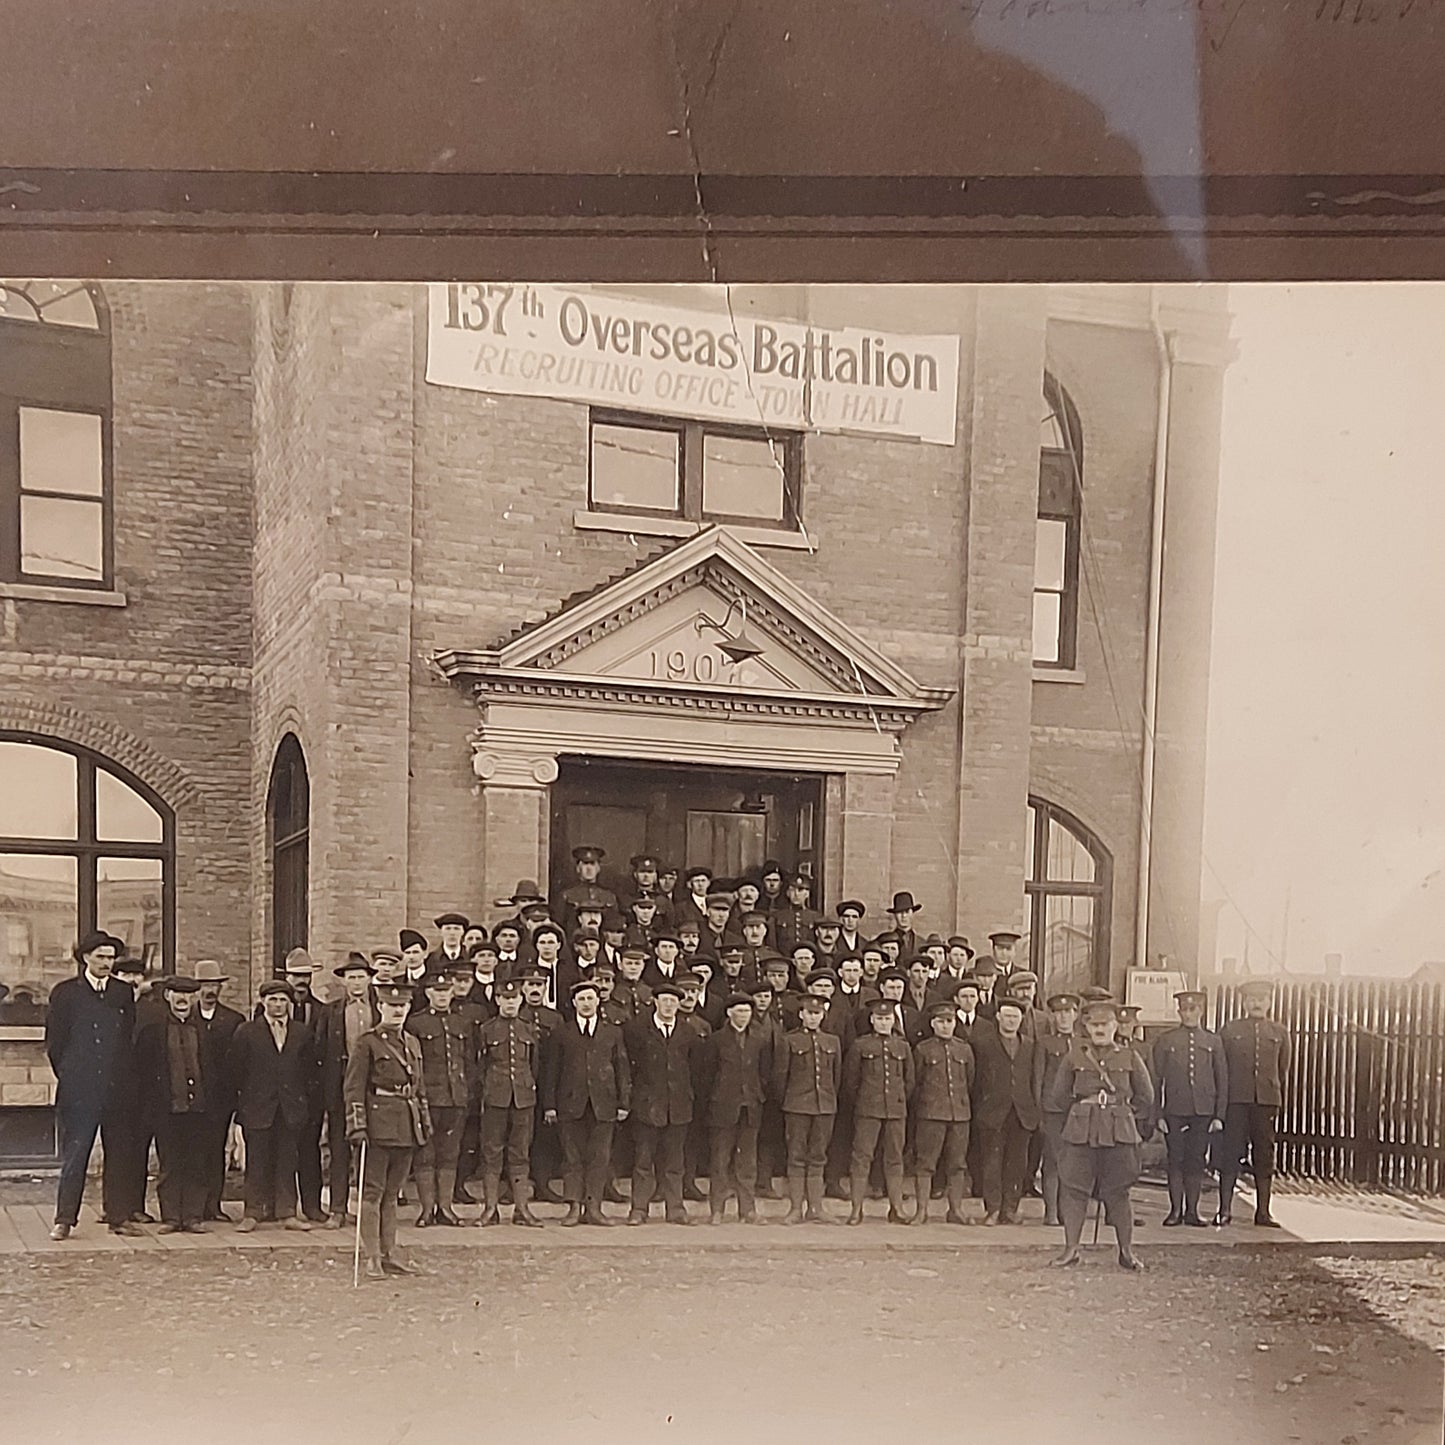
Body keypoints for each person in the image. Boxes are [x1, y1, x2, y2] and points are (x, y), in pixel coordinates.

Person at [1045, 997, 1155, 1271]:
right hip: (1081, 1132)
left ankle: (1126, 1252)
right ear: (1086, 1026)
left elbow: (1146, 1096)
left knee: (1119, 1191)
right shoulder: (1074, 1056)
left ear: (1116, 1026)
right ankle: (1071, 1250)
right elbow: (1059, 1096)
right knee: (1074, 1190)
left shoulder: (1130, 1057)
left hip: (1119, 1133)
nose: (1100, 1030)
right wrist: (1083, 1111)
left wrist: (1123, 1114)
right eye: (1094, 1025)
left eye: (1105, 1024)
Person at [45, 932, 136, 1240]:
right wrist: (72, 1076)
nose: (107, 963)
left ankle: (118, 1216)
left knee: (120, 1153)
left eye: (111, 958)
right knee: (76, 1153)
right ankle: (64, 1219)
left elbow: (128, 1038)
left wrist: (121, 1078)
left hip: (118, 1089)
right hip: (80, 1091)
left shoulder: (123, 993)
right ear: (85, 958)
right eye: (101, 957)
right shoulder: (66, 993)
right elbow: (56, 1044)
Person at [345, 982, 431, 1279]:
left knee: (392, 1194)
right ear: (380, 1007)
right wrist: (357, 1126)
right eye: (391, 1005)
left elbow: (419, 1088)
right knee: (372, 1193)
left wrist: (423, 1123)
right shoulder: (367, 1043)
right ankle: (372, 1257)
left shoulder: (412, 1043)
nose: (398, 1010)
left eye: (403, 1006)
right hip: (378, 1124)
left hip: (406, 1124)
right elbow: (354, 1088)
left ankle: (390, 1252)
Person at [229, 980, 319, 1232]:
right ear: (262, 1001)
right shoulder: (246, 1031)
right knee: (256, 1161)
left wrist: (304, 1102)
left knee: (287, 1160)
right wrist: (242, 1106)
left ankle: (287, 1212)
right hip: (257, 1107)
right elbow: (236, 1070)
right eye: (272, 1000)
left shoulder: (302, 1033)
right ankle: (253, 1212)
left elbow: (309, 1072)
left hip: (291, 1107)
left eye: (282, 1000)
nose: (277, 1005)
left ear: (289, 1004)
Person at [541, 980, 631, 1226]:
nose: (586, 1003)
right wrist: (549, 1105)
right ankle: (574, 1208)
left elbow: (622, 1069)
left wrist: (623, 1103)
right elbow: (552, 1071)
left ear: (598, 1001)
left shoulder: (612, 1032)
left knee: (599, 1158)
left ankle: (594, 1208)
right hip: (570, 1104)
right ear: (573, 1003)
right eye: (581, 999)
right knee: (572, 1158)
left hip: (604, 1105)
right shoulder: (562, 1033)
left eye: (590, 998)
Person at [134, 976, 216, 1233]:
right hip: (166, 1109)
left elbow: (212, 1068)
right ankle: (170, 1217)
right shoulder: (153, 1029)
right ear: (167, 996)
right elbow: (142, 1073)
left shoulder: (202, 1030)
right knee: (169, 1163)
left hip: (198, 1109)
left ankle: (192, 1216)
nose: (182, 999)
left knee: (196, 1163)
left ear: (194, 998)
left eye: (188, 995)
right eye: (176, 994)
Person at [1217, 978, 1291, 1228]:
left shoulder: (1279, 1032)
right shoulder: (1230, 1030)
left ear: (1269, 1001)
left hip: (1265, 1102)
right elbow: (1222, 1068)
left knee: (1264, 1155)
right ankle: (1224, 1210)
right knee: (1230, 1154)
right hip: (1236, 1101)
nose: (1256, 1003)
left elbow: (1282, 1070)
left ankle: (1263, 1212)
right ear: (1244, 1002)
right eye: (1251, 999)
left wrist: (1274, 1098)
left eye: (1261, 999)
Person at [1151, 988, 1228, 1228]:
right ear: (1179, 1012)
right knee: (1175, 1159)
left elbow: (1222, 1079)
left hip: (1203, 1111)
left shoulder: (1213, 1041)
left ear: (1201, 1011)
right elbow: (1156, 1079)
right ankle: (1175, 1211)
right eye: (1184, 1009)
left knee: (1196, 1160)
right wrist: (1158, 1113)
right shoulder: (1166, 1040)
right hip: (1175, 1109)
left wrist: (1219, 1115)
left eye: (1193, 1009)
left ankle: (1192, 1212)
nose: (1188, 1014)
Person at [623, 979, 698, 1225]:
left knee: (675, 1162)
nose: (668, 1006)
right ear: (655, 1002)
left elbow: (696, 1069)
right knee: (643, 1161)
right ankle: (639, 1210)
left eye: (673, 1002)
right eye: (664, 1001)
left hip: (678, 1106)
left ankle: (675, 1209)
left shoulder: (688, 1031)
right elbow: (629, 1066)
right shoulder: (637, 1030)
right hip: (647, 1106)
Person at [405, 972, 475, 1227]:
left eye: (446, 991)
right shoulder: (416, 1023)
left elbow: (469, 1061)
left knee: (450, 1154)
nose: (442, 995)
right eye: (437, 991)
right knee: (425, 1154)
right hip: (428, 1098)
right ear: (427, 994)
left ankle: (445, 1207)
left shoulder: (462, 1023)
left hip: (456, 1097)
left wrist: (467, 1092)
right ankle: (426, 1210)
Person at [476, 978, 544, 1227]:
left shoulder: (529, 1029)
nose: (510, 1003)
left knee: (520, 1153)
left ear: (521, 999)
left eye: (514, 998)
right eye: (505, 998)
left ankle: (522, 1209)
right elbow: (480, 1066)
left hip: (524, 1098)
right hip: (495, 1097)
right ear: (497, 1000)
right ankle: (490, 1209)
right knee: (492, 1153)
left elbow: (534, 1065)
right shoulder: (487, 1029)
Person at [698, 992, 770, 1224]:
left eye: (747, 1011)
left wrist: (757, 1095)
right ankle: (717, 1210)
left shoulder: (759, 1039)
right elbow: (705, 1075)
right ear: (729, 1013)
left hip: (750, 1107)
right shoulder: (716, 1040)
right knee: (720, 1160)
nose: (744, 1016)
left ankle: (747, 1210)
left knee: (747, 1161)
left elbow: (765, 1072)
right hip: (722, 1108)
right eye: (739, 1011)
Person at [844, 997, 916, 1225]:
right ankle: (856, 1209)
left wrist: (898, 1100)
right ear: (872, 1020)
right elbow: (851, 1081)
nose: (884, 1022)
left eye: (888, 1019)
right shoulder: (860, 1045)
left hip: (895, 1110)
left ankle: (896, 1208)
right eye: (879, 1019)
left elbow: (909, 1081)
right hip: (868, 1109)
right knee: (861, 1157)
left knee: (894, 1158)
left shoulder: (902, 1046)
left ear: (893, 1021)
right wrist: (865, 1101)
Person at [970, 996, 1040, 1225]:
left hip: (1022, 1112)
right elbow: (976, 1079)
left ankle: (1010, 1209)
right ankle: (992, 1209)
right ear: (998, 1017)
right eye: (1007, 1016)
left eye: (1016, 1017)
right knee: (991, 1162)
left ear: (1021, 1020)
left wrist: (1034, 1108)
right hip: (992, 1112)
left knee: (1017, 1163)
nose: (1011, 1021)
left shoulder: (1030, 1045)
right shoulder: (982, 1043)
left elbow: (1034, 1078)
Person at [318, 952, 377, 1228]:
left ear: (369, 979)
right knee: (339, 1147)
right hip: (340, 1086)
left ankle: (369, 1209)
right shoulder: (331, 1011)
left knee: (372, 1147)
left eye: (360, 976)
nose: (356, 982)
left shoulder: (380, 1007)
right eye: (351, 977)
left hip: (375, 1087)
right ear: (344, 981)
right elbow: (320, 1050)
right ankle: (338, 1209)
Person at [772, 994, 840, 1224]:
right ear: (801, 1015)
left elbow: (836, 1077)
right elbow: (780, 1078)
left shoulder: (832, 1042)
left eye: (817, 1013)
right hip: (797, 1106)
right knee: (797, 1156)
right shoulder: (789, 1040)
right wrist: (790, 1101)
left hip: (824, 1107)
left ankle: (816, 1207)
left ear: (823, 1015)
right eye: (809, 1013)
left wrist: (828, 1100)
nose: (813, 1017)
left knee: (818, 1156)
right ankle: (795, 1209)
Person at [910, 1002, 976, 1225]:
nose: (945, 1026)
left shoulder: (964, 1049)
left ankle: (955, 1209)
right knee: (926, 1163)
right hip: (931, 1114)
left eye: (949, 1021)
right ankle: (922, 1211)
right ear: (932, 1023)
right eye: (940, 1022)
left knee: (957, 1164)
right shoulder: (922, 1049)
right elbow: (915, 1082)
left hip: (959, 1114)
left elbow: (969, 1080)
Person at [191, 960, 245, 1222]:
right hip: (191, 1097)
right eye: (204, 985)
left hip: (220, 1099)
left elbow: (239, 1063)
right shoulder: (187, 1018)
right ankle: (193, 1206)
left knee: (216, 1151)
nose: (209, 990)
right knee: (192, 1151)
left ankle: (213, 1204)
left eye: (214, 985)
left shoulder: (233, 1020)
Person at [277, 948, 327, 1223]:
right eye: (296, 976)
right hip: (279, 1093)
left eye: (306, 976)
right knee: (282, 1150)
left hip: (309, 1093)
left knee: (310, 1150)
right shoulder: (266, 1010)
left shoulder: (320, 1010)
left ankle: (312, 1206)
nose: (301, 981)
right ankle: (280, 1206)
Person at [1034, 992, 1081, 1228]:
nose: (1063, 1017)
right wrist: (1039, 1109)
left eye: (1068, 1012)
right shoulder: (1045, 1043)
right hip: (1052, 1109)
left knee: (1073, 1161)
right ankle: (1050, 1212)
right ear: (1053, 1016)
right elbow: (1038, 1077)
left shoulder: (1083, 1043)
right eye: (1059, 1013)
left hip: (1077, 1110)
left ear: (1075, 1015)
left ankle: (1066, 1211)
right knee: (1052, 1159)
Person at [556, 845, 618, 935]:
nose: (589, 868)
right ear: (578, 868)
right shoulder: (567, 895)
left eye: (592, 864)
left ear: (598, 868)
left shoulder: (609, 897)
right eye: (585, 864)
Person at [771, 874, 823, 959]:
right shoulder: (777, 916)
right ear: (787, 893)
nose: (796, 894)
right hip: (784, 959)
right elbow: (772, 943)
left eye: (800, 890)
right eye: (792, 890)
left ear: (807, 894)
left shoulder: (816, 917)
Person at [884, 891, 922, 960]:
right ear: (894, 914)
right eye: (899, 912)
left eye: (907, 912)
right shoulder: (885, 943)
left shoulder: (922, 943)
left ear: (912, 913)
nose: (904, 916)